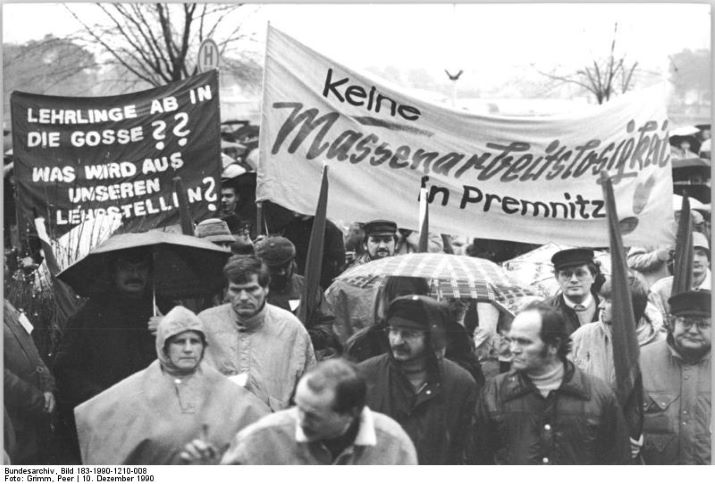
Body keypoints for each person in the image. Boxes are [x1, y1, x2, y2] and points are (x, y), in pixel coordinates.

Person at [74, 306, 269, 464]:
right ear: (164, 347)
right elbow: (95, 417)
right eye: (179, 342)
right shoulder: (137, 388)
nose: (187, 349)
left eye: (194, 341)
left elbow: (261, 426)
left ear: (204, 346)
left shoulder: (225, 389)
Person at [474, 302, 630, 464]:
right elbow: (476, 459)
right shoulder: (495, 392)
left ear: (553, 345)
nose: (513, 349)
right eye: (511, 340)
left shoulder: (598, 395)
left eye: (524, 342)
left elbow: (618, 461)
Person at [53, 247, 170, 461]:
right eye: (127, 268)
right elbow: (66, 369)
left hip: (159, 423)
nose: (135, 275)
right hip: (110, 422)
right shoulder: (88, 315)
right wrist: (105, 398)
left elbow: (190, 361)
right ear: (113, 272)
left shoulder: (165, 310)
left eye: (141, 268)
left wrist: (171, 330)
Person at [180, 359, 417, 464]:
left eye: (312, 415)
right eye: (298, 407)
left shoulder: (394, 445)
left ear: (350, 413)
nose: (298, 420)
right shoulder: (262, 439)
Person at [358, 295, 479, 464]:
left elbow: (465, 451)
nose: (397, 341)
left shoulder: (460, 384)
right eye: (393, 331)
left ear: (432, 337)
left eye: (409, 334)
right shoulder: (365, 376)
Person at [198, 255, 317, 411]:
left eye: (251, 289)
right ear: (227, 291)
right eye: (236, 290)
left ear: (266, 289)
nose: (244, 297)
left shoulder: (291, 329)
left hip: (273, 428)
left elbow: (311, 388)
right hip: (218, 426)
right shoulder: (205, 324)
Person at [637, 290, 711, 464]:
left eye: (702, 324)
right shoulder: (642, 361)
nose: (693, 330)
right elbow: (623, 422)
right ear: (672, 323)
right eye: (685, 323)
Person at [570, 274, 665, 389]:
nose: (600, 306)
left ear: (628, 306)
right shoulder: (584, 335)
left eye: (608, 301)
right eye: (602, 299)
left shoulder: (662, 344)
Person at [254, 236, 339, 358]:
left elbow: (326, 322)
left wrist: (305, 336)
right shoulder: (251, 289)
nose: (282, 272)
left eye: (285, 266)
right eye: (275, 269)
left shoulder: (308, 287)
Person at [324, 220, 399, 345]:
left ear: (395, 244)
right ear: (365, 245)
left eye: (387, 240)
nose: (382, 246)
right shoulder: (346, 282)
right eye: (375, 240)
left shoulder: (408, 275)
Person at [3, 300, 55, 464]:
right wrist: (38, 400)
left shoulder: (6, 305)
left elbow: (32, 349)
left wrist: (47, 386)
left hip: (39, 416)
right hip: (14, 425)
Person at [649, 230, 711, 321]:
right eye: (690, 254)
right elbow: (655, 326)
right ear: (679, 260)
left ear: (709, 261)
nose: (696, 259)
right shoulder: (660, 290)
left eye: (701, 254)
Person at [544, 248, 604, 335]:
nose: (574, 280)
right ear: (557, 277)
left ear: (593, 277)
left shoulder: (607, 307)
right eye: (567, 274)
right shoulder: (545, 311)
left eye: (580, 274)